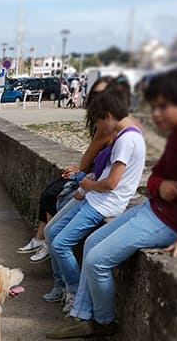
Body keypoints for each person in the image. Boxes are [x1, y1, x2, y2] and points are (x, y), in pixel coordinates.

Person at [48, 68, 177, 340]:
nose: (157, 115)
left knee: (96, 261)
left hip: (166, 220)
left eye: (164, 107)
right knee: (92, 244)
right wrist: (160, 186)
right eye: (154, 108)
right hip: (152, 208)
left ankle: (103, 321)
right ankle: (82, 315)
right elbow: (155, 178)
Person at [43, 78, 146, 316]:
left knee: (60, 243)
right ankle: (66, 288)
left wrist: (88, 184)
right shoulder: (125, 136)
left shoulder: (126, 140)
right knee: (52, 233)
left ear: (108, 116)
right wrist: (85, 185)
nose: (98, 128)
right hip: (93, 198)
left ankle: (75, 293)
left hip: (103, 204)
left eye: (99, 122)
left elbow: (111, 183)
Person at [18, 76, 127, 267]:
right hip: (90, 178)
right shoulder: (106, 127)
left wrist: (82, 169)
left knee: (54, 197)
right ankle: (41, 239)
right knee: (48, 194)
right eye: (94, 95)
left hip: (93, 183)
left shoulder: (113, 131)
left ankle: (45, 242)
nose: (96, 100)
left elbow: (91, 165)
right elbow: (88, 162)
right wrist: (80, 169)